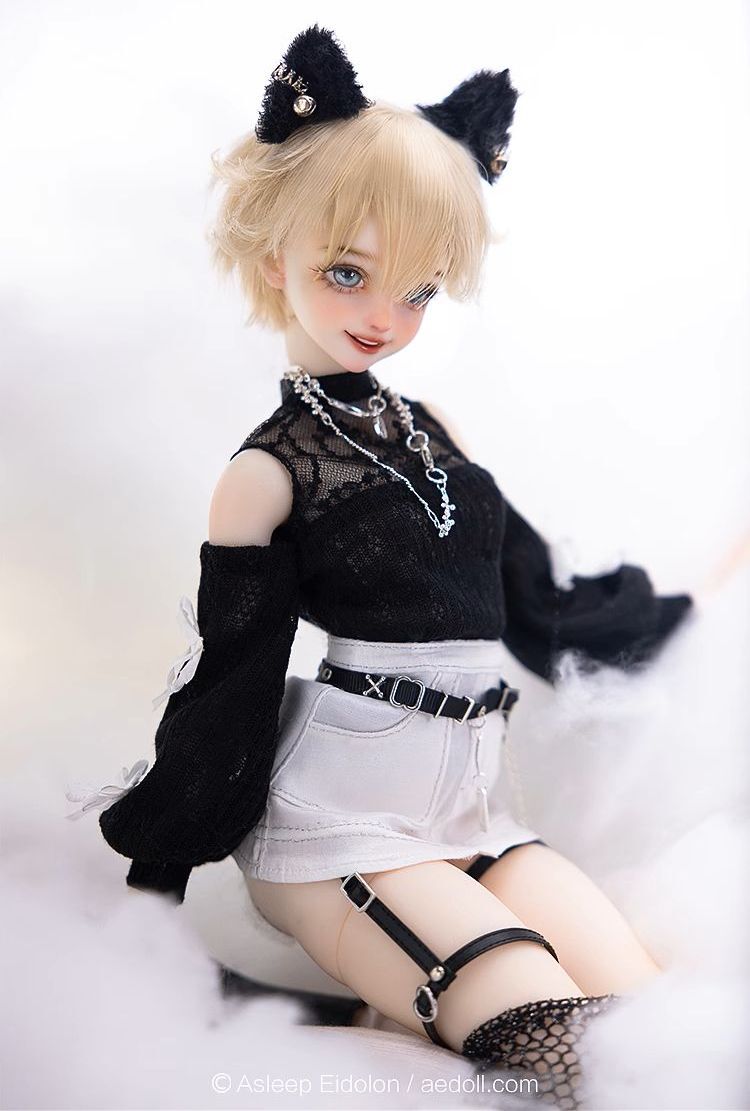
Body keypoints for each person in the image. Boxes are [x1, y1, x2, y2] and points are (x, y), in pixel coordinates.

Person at [68, 25, 701, 1109]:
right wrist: (152, 893)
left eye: (419, 291)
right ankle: (403, 993)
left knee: (663, 1024)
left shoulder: (435, 427)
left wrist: (697, 611)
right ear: (275, 254)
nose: (383, 318)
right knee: (564, 1044)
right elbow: (230, 682)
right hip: (336, 827)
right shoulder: (265, 475)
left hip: (477, 814)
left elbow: (534, 599)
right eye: (349, 273)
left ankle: (387, 1009)